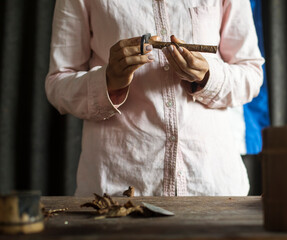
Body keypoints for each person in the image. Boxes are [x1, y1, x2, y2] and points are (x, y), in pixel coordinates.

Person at [45, 0, 264, 196]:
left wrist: (208, 76)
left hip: (212, 185)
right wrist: (110, 81)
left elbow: (251, 74)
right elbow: (58, 83)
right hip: (118, 190)